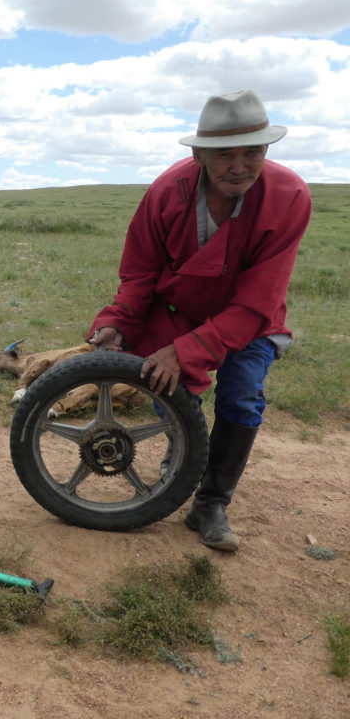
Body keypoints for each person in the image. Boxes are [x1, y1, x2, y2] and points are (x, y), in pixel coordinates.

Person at [88, 89, 311, 552]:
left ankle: (210, 504)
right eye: (224, 153)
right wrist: (121, 320)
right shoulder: (168, 192)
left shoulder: (288, 197)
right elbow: (141, 270)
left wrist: (187, 350)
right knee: (167, 387)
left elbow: (257, 302)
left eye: (253, 152)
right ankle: (181, 461)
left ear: (267, 150)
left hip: (251, 318)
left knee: (242, 395)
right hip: (180, 311)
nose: (240, 165)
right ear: (199, 154)